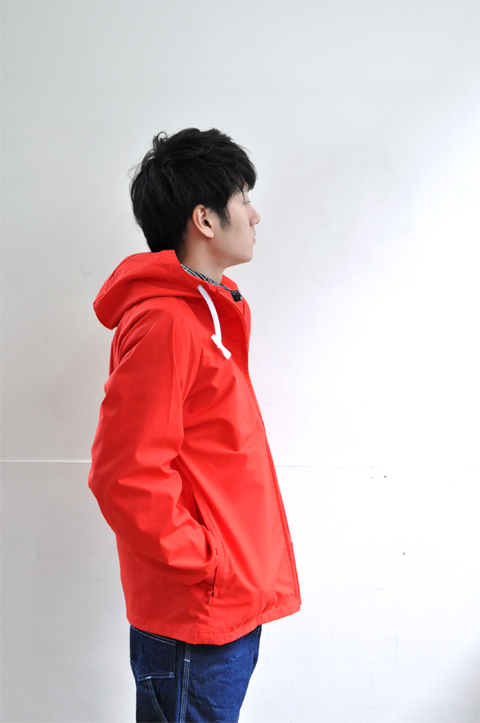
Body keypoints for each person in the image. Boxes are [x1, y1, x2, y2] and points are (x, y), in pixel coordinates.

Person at [88, 128, 301, 723]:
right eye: (243, 199)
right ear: (204, 219)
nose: (255, 215)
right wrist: (207, 564)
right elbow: (125, 476)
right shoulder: (167, 324)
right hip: (196, 615)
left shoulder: (211, 314)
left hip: (225, 606)